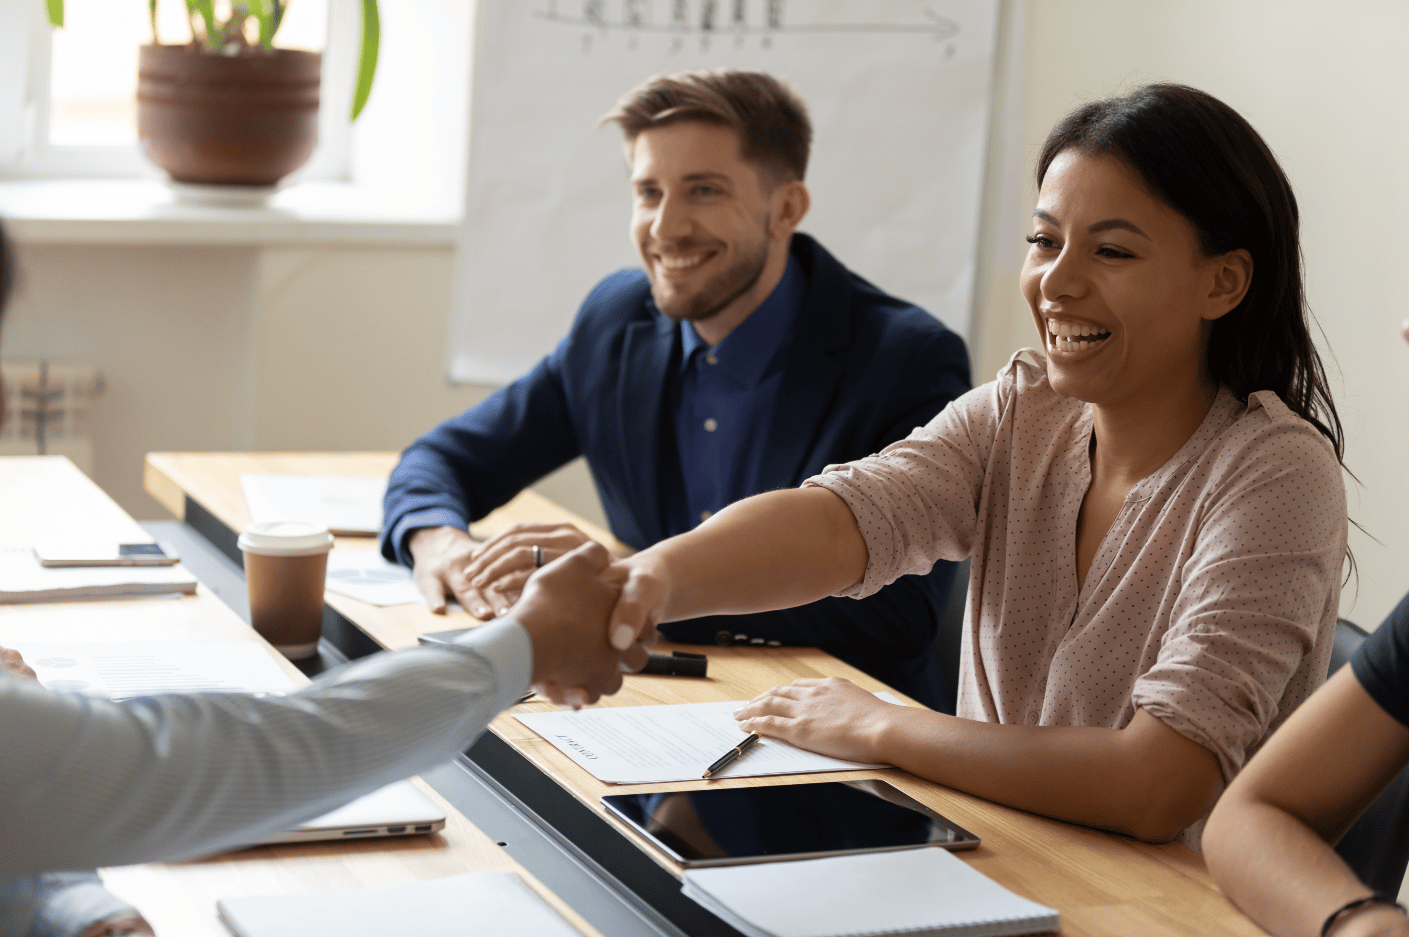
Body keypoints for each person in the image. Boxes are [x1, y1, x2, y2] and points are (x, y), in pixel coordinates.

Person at [597, 83, 1349, 849]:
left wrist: (886, 727)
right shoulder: (1022, 411)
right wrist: (647, 581)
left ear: (1221, 282)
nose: (1056, 283)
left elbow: (1157, 783)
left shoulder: (1275, 472)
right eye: (1043, 241)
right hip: (991, 871)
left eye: (1111, 251)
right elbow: (842, 520)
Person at [0, 218, 654, 937]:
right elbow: (211, 763)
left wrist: (77, 910)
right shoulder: (619, 321)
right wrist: (522, 643)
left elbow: (36, 802)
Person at [381, 69, 971, 712]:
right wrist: (441, 543)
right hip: (641, 713)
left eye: (704, 191)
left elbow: (896, 617)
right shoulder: (616, 319)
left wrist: (627, 585)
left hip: (822, 759)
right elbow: (444, 459)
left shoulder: (904, 359)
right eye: (648, 192)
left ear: (787, 208)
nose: (666, 228)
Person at [1203, 324, 1409, 937]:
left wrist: (905, 732)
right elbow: (1249, 817)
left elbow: (1155, 785)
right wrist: (1359, 922)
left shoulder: (1280, 466)